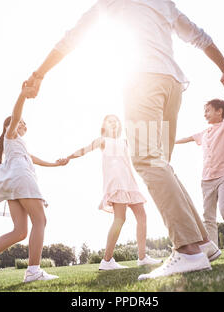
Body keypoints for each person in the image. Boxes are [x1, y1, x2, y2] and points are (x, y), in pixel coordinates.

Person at [26, 0, 224, 280]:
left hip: (143, 82)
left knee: (147, 160)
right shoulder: (161, 2)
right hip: (172, 85)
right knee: (161, 163)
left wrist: (39, 73)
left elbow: (72, 38)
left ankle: (188, 251)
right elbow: (199, 37)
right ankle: (202, 242)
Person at [0, 81, 68, 289]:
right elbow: (15, 115)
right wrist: (22, 95)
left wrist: (56, 164)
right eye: (18, 122)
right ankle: (33, 271)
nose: (22, 124)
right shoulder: (10, 134)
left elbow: (35, 159)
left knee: (20, 231)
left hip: (13, 185)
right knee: (40, 220)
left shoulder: (17, 146)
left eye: (23, 123)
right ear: (9, 126)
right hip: (21, 179)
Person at [65, 114, 162, 270]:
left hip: (130, 182)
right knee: (120, 219)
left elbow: (142, 148)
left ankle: (142, 257)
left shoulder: (124, 141)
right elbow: (84, 150)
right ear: (104, 125)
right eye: (110, 121)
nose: (114, 123)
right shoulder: (102, 140)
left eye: (116, 121)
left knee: (142, 216)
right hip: (116, 183)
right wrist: (68, 157)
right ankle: (107, 260)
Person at [176, 84, 224, 259]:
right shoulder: (204, 132)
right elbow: (186, 138)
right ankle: (212, 252)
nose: (205, 114)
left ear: (219, 111)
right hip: (206, 179)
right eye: (204, 111)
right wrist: (169, 141)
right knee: (208, 217)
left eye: (208, 111)